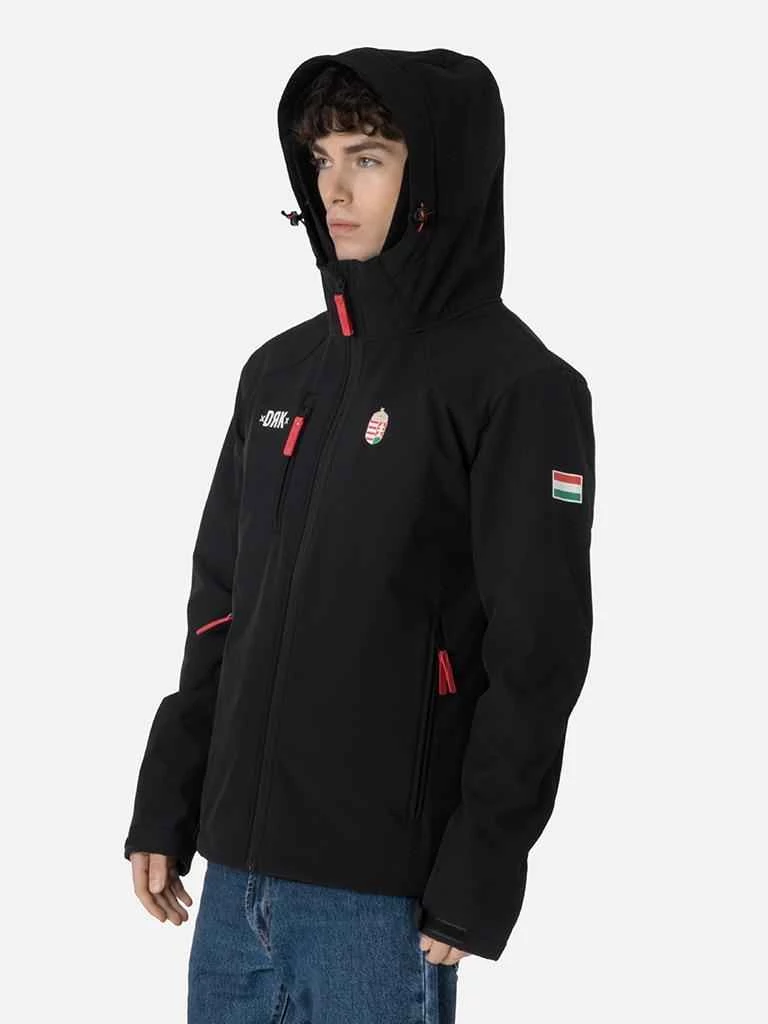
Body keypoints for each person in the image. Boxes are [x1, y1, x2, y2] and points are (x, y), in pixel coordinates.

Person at [124, 47, 596, 1024]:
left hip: (380, 899)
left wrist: (483, 867)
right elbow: (221, 608)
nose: (333, 188)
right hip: (233, 883)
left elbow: (537, 655)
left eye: (369, 158)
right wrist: (169, 795)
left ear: (438, 177)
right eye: (322, 157)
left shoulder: (518, 388)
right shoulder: (278, 373)